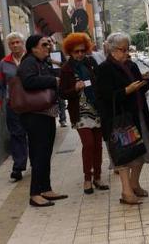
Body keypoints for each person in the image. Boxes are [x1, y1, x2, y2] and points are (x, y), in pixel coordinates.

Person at [95, 32, 149, 205]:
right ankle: (126, 192)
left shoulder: (131, 65)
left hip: (136, 115)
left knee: (140, 151)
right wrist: (127, 90)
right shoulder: (104, 68)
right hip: (118, 120)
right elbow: (104, 96)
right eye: (123, 50)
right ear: (112, 50)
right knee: (123, 155)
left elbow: (138, 86)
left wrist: (144, 82)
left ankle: (134, 184)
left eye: (128, 49)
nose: (127, 53)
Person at [17, 34, 68, 208]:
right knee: (39, 154)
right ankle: (35, 193)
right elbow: (28, 81)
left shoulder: (42, 62)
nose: (48, 47)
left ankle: (45, 188)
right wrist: (53, 80)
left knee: (45, 153)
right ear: (33, 48)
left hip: (45, 113)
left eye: (48, 44)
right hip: (34, 114)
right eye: (44, 45)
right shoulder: (29, 62)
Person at [59, 32, 110, 195]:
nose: (80, 54)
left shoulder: (91, 63)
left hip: (96, 110)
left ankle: (98, 177)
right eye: (76, 51)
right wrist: (74, 89)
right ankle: (87, 179)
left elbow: (101, 83)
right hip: (80, 113)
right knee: (88, 145)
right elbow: (62, 93)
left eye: (82, 50)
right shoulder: (66, 69)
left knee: (98, 146)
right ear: (70, 52)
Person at [0, 32, 29, 181]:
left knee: (33, 134)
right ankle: (18, 167)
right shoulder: (4, 63)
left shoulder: (30, 59)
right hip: (13, 104)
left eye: (17, 42)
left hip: (32, 103)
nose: (15, 45)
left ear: (22, 43)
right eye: (12, 43)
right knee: (16, 135)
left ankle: (37, 163)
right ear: (8, 46)